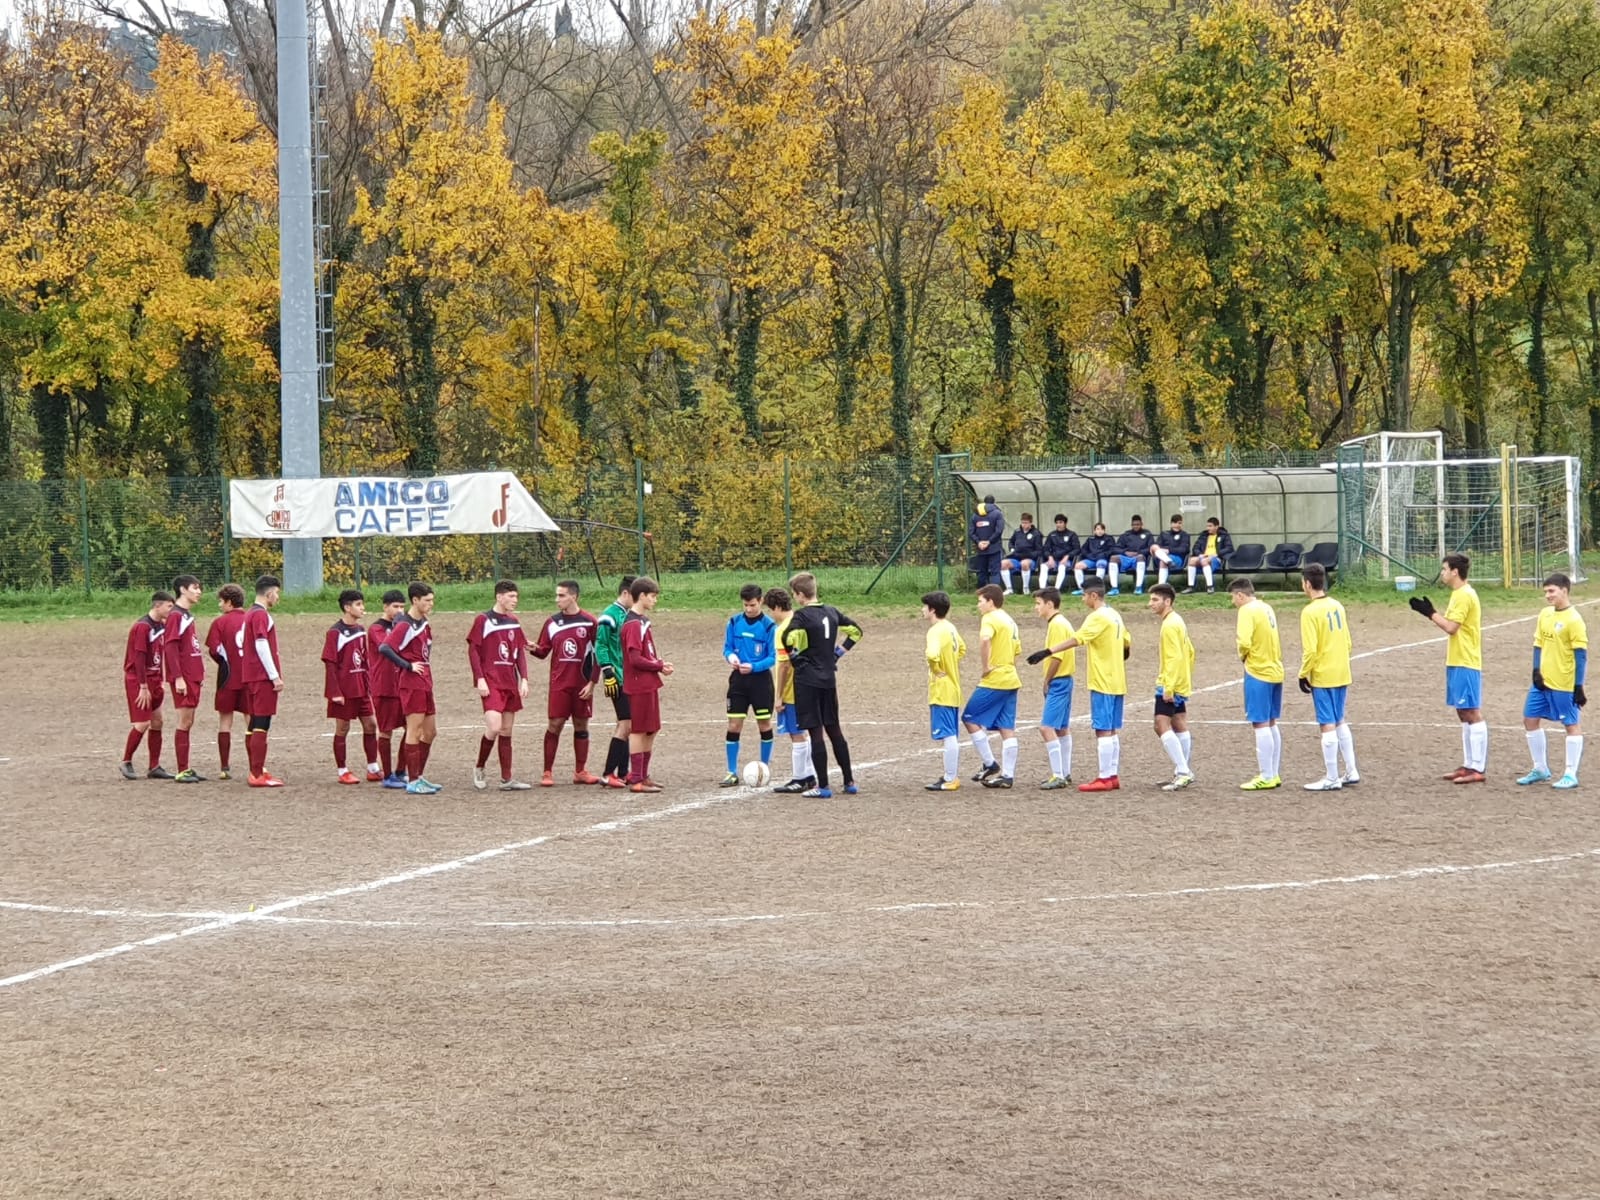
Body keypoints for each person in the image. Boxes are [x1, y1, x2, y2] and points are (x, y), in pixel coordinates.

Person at [1028, 578, 1131, 791]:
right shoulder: (1115, 614)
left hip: (1102, 680)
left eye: (1084, 595)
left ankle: (1104, 778)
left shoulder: (1097, 617)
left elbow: (1077, 639)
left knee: (1103, 730)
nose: (1083, 599)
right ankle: (1112, 775)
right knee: (1112, 729)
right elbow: (1126, 644)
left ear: (1093, 595)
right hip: (1117, 679)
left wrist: (1048, 651)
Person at [781, 572, 863, 798]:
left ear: (800, 594)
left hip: (808, 680)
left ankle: (823, 786)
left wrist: (795, 657)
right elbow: (856, 632)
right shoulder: (832, 612)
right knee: (834, 729)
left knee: (815, 731)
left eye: (794, 594)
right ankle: (849, 781)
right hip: (828, 678)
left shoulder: (802, 616)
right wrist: (837, 653)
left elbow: (787, 637)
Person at [1410, 553, 1487, 783]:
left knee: (1471, 712)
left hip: (1466, 661)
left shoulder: (1464, 595)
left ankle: (1478, 768)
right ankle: (1469, 764)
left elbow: (1452, 627)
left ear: (1455, 571)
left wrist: (1430, 613)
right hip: (1456, 660)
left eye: (1444, 569)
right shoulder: (1458, 594)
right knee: (1463, 712)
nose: (1442, 573)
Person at [1517, 573, 1587, 789]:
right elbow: (1538, 644)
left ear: (1564, 591)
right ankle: (1540, 768)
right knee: (1530, 719)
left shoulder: (1574, 620)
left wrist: (1578, 685)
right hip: (1542, 683)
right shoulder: (1545, 614)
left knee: (1571, 725)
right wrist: (1536, 671)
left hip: (1563, 683)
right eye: (1545, 591)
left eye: (1551, 591)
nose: (1547, 595)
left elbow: (1581, 655)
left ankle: (1570, 774)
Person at [531, 579, 600, 787]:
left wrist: (592, 683)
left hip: (582, 684)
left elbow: (599, 654)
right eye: (557, 595)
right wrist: (533, 648)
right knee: (555, 724)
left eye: (561, 595)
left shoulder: (590, 622)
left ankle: (580, 771)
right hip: (559, 684)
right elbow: (543, 651)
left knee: (581, 724)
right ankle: (547, 772)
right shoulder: (552, 623)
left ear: (574, 597)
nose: (557, 599)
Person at [466, 580, 533, 792]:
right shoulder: (483, 620)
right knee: (494, 727)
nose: (515, 600)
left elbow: (519, 652)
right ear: (499, 597)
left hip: (509, 682)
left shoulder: (514, 621)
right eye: (511, 596)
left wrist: (524, 678)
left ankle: (506, 779)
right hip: (492, 681)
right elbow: (473, 650)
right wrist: (479, 678)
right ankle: (479, 767)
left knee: (506, 730)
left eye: (516, 596)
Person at [1298, 563, 1358, 791]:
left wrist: (1303, 673)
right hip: (1342, 671)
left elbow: (1311, 650)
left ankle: (1332, 777)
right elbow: (1348, 641)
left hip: (1323, 675)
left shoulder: (1309, 612)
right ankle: (1351, 770)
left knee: (1327, 724)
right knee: (1339, 719)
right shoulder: (1337, 605)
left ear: (1307, 583)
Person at [379, 581, 441, 795]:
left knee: (430, 732)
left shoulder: (423, 622)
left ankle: (419, 775)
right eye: (427, 600)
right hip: (412, 683)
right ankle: (413, 780)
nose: (431, 604)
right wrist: (407, 665)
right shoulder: (405, 625)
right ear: (415, 600)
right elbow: (385, 647)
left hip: (425, 682)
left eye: (432, 600)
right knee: (414, 730)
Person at [961, 584, 1023, 788]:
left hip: (995, 679)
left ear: (990, 602)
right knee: (1006, 727)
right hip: (1011, 677)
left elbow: (985, 639)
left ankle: (990, 763)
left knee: (969, 718)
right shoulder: (1010, 620)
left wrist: (986, 666)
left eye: (980, 601)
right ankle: (1007, 776)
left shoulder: (989, 618)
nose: (978, 605)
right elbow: (1017, 651)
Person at [621, 576, 674, 792]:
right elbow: (634, 659)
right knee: (639, 729)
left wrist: (658, 664)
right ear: (641, 596)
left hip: (648, 682)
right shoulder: (633, 624)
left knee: (651, 729)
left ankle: (643, 775)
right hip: (638, 684)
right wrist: (658, 665)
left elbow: (646, 654)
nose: (655, 600)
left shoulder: (642, 621)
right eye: (652, 596)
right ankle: (636, 779)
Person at [720, 582, 777, 786]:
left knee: (764, 724)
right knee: (734, 724)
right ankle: (731, 772)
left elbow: (773, 657)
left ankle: (764, 768)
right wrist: (731, 657)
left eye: (752, 605)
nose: (749, 609)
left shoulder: (769, 626)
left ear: (761, 601)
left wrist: (754, 667)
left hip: (761, 682)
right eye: (745, 605)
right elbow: (727, 648)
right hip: (738, 681)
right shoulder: (734, 622)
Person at [322, 588, 380, 785]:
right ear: (347, 607)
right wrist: (334, 692)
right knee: (343, 727)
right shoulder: (335, 632)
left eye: (362, 604)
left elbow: (364, 659)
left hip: (361, 688)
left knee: (371, 724)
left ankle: (373, 768)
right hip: (344, 690)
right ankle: (342, 770)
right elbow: (330, 664)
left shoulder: (361, 630)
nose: (362, 608)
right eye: (358, 604)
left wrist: (369, 685)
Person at [1231, 577, 1284, 790]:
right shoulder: (1266, 607)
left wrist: (1243, 657)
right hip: (1274, 669)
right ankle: (1274, 773)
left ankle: (1266, 775)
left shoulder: (1246, 611)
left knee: (1260, 723)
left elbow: (1244, 642)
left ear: (1240, 595)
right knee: (1271, 722)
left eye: (1233, 597)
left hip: (1258, 671)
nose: (1233, 602)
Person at [120, 590, 175, 780]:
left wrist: (161, 679)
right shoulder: (142, 627)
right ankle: (126, 761)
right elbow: (139, 658)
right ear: (157, 606)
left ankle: (154, 766)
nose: (171, 610)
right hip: (139, 679)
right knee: (143, 723)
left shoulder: (161, 625)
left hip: (154, 678)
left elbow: (160, 654)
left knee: (157, 721)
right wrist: (143, 686)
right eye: (169, 606)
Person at [766, 586, 816, 794]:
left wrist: (778, 696)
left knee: (796, 734)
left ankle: (799, 778)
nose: (771, 615)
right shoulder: (802, 622)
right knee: (806, 732)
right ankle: (810, 774)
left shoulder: (783, 630)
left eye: (771, 610)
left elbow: (785, 665)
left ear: (777, 607)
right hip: (810, 684)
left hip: (792, 690)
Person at [1148, 583, 1195, 790]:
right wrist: (1184, 676)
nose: (1150, 604)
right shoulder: (1177, 620)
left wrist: (1169, 686)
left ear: (1167, 601)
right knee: (1179, 722)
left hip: (1170, 682)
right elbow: (1190, 651)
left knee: (1161, 724)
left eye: (1155, 600)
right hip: (1179, 680)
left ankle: (1183, 771)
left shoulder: (1169, 625)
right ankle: (1182, 771)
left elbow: (1174, 657)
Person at [241, 574, 285, 788]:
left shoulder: (249, 613)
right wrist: (274, 675)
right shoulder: (261, 615)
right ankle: (257, 773)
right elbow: (261, 645)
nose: (277, 597)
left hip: (250, 675)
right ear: (269, 593)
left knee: (253, 723)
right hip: (261, 677)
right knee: (261, 723)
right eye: (276, 593)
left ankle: (255, 768)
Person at [921, 590, 968, 792]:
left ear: (932, 610)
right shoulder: (950, 627)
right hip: (953, 687)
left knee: (948, 735)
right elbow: (962, 648)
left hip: (942, 689)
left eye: (924, 606)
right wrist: (951, 662)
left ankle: (950, 777)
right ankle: (950, 776)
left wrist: (936, 669)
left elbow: (932, 655)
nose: (922, 610)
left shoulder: (935, 631)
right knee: (951, 733)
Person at [163, 574, 208, 783]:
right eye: (195, 587)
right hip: (185, 677)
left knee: (189, 721)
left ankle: (186, 768)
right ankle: (182, 770)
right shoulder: (175, 615)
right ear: (182, 590)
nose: (199, 592)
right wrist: (178, 677)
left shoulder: (186, 615)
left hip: (193, 675)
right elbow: (170, 647)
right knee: (184, 720)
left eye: (199, 588)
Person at [594, 576, 635, 789]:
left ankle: (623, 772)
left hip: (627, 677)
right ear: (625, 593)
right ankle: (608, 773)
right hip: (616, 677)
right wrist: (608, 671)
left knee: (627, 724)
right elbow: (600, 644)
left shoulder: (627, 614)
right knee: (625, 724)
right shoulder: (609, 616)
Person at [1032, 587, 1075, 789]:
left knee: (1046, 728)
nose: (1036, 608)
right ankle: (1065, 772)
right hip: (1066, 680)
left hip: (1059, 681)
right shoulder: (1061, 622)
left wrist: (1047, 680)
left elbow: (1057, 657)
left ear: (1049, 604)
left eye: (1038, 603)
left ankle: (1058, 775)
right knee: (1062, 728)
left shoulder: (1057, 625)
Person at [205, 583, 248, 780]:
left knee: (225, 721)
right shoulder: (252, 619)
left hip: (228, 677)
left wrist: (224, 663)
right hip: (249, 677)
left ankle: (224, 767)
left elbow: (214, 650)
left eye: (221, 601)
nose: (220, 605)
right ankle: (256, 765)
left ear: (229, 602)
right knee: (251, 720)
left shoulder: (220, 622)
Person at [367, 589, 408, 788]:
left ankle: (401, 770)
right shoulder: (376, 628)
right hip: (384, 686)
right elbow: (389, 647)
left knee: (412, 728)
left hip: (403, 685)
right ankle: (387, 775)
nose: (399, 610)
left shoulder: (403, 626)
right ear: (385, 607)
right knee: (386, 731)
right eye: (395, 606)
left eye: (402, 607)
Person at [1185, 517, 1233, 593]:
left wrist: (1217, 554)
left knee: (1204, 561)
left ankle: (1210, 587)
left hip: (1216, 558)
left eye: (1210, 526)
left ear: (1216, 526)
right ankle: (1190, 587)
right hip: (1203, 557)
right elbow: (1195, 548)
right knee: (1192, 561)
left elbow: (1229, 548)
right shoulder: (1203, 535)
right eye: (1207, 526)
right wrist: (1200, 554)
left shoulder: (1224, 535)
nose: (1208, 528)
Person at [1001, 512, 1045, 595]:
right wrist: (1012, 549)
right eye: (1022, 522)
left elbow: (1039, 550)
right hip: (1016, 557)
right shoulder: (1017, 532)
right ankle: (1009, 589)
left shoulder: (1036, 534)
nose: (1024, 525)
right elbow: (1011, 542)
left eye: (1026, 523)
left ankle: (1026, 589)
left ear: (1031, 523)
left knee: (1024, 563)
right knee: (1003, 564)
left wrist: (1030, 554)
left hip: (1030, 559)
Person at [1111, 515, 1155, 596]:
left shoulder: (1147, 534)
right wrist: (1125, 552)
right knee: (1113, 558)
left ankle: (1138, 587)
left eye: (1138, 524)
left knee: (1140, 557)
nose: (1136, 526)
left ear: (1141, 524)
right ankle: (1114, 588)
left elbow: (1151, 548)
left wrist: (1138, 553)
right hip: (1126, 558)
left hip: (1139, 558)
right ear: (1131, 525)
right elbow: (1115, 548)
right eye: (1134, 525)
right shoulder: (1126, 535)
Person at [968, 494, 1005, 588]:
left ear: (984, 503)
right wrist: (989, 541)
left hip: (980, 549)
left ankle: (981, 591)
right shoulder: (997, 513)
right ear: (993, 502)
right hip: (994, 548)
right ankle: (994, 592)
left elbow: (971, 532)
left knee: (982, 571)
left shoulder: (975, 515)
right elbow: (999, 530)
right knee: (995, 572)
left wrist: (978, 542)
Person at [1074, 523, 1116, 594]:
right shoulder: (1090, 539)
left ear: (1104, 530)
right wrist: (1089, 555)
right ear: (1094, 531)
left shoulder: (1109, 538)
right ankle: (1082, 589)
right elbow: (1083, 549)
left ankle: (1096, 588)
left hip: (1102, 559)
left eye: (1102, 529)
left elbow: (1112, 550)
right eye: (1098, 529)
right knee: (1077, 566)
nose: (1100, 531)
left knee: (1101, 564)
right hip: (1091, 559)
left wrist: (1103, 555)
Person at [1042, 514, 1081, 591]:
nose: (1058, 524)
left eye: (1060, 522)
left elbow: (1077, 549)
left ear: (1065, 523)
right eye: (1057, 523)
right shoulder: (1052, 535)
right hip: (1053, 560)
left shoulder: (1072, 534)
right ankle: (1042, 589)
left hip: (1067, 561)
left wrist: (1067, 556)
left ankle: (1056, 589)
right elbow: (1045, 548)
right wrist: (1050, 557)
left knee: (1062, 567)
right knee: (1043, 566)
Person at [1152, 515, 1191, 588]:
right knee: (1153, 547)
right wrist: (1163, 551)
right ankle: (1168, 561)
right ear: (1171, 524)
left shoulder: (1185, 535)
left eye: (1179, 523)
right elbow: (1157, 547)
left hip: (1178, 559)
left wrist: (1168, 550)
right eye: (1175, 523)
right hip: (1161, 557)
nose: (1177, 525)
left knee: (1163, 561)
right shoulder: (1164, 534)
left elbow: (1184, 550)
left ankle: (1161, 586)